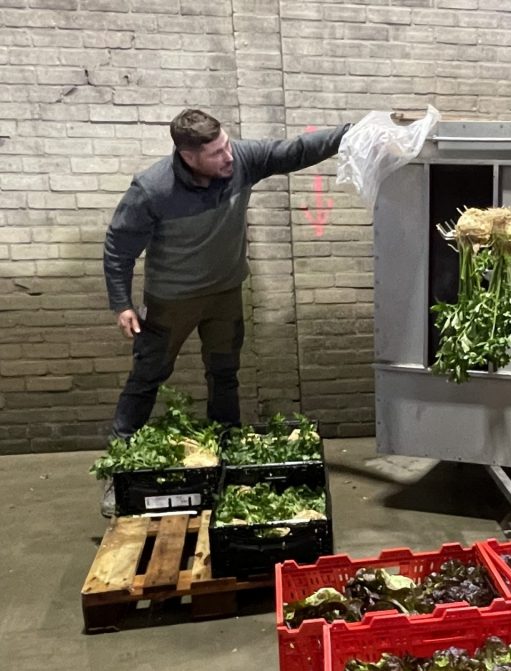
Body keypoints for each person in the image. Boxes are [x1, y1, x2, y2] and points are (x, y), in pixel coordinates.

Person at [103, 109, 349, 439]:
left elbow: (296, 150)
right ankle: (122, 449)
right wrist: (122, 304)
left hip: (225, 293)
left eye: (227, 144)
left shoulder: (241, 160)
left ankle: (226, 442)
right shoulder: (152, 190)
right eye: (217, 153)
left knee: (224, 372)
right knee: (149, 372)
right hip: (173, 300)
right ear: (188, 156)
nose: (228, 155)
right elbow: (119, 248)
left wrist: (352, 132)